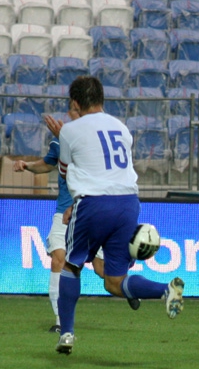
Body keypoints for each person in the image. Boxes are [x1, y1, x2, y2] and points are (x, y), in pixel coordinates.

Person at [52, 75, 184, 355]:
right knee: (114, 281)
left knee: (71, 266)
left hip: (93, 204)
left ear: (75, 102)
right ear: (102, 99)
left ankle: (66, 333)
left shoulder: (69, 130)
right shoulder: (122, 127)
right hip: (128, 203)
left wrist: (76, 201)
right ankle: (165, 290)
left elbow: (64, 171)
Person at [12, 107, 139, 333]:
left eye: (75, 110)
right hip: (65, 213)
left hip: (92, 210)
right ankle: (61, 322)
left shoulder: (92, 144)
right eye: (72, 111)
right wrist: (28, 166)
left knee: (102, 269)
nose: (71, 115)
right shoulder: (63, 140)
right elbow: (49, 163)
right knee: (58, 260)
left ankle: (127, 287)